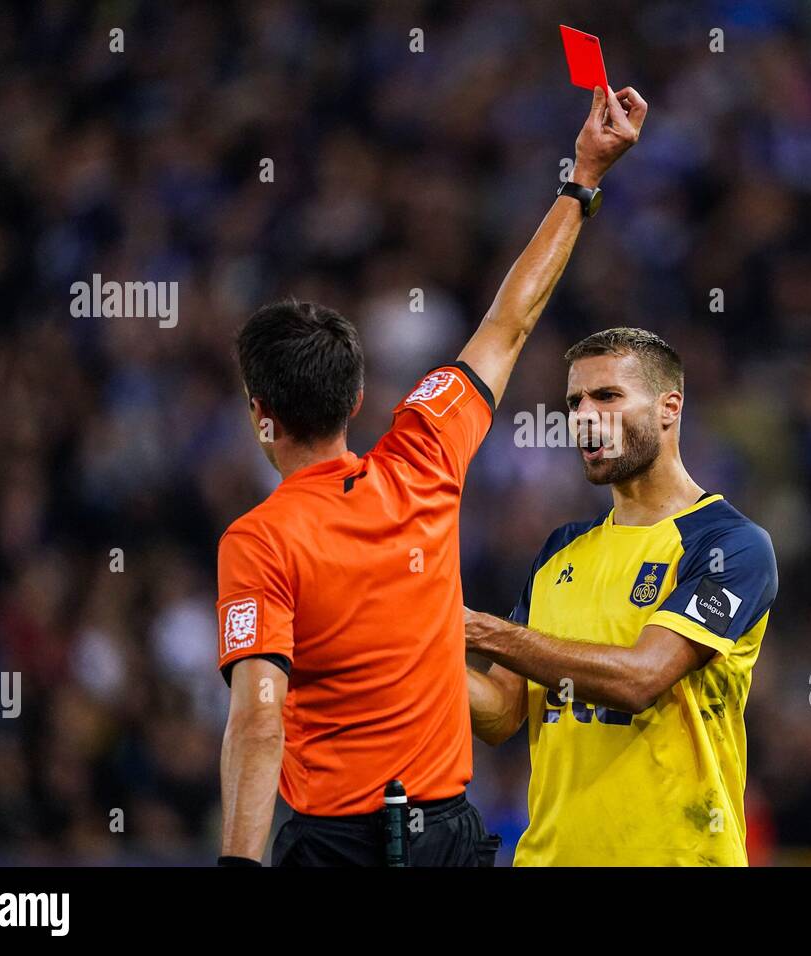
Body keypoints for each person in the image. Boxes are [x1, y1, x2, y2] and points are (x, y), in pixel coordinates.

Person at [216, 86, 648, 866]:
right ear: (354, 398)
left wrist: (240, 863)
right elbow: (510, 320)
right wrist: (584, 178)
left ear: (260, 415)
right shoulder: (424, 453)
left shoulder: (258, 541)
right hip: (446, 837)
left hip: (333, 847)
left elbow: (258, 717)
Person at [466, 327, 778, 865]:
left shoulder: (730, 544)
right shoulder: (560, 552)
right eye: (574, 402)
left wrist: (477, 629)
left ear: (668, 407)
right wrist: (415, 638)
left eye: (607, 396)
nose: (584, 416)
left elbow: (640, 678)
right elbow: (499, 715)